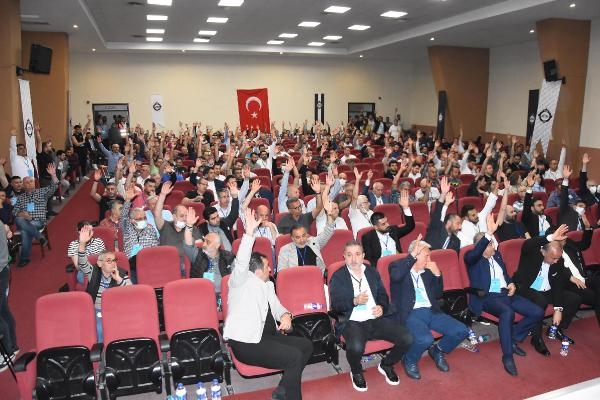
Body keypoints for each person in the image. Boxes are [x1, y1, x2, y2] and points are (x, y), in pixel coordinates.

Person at [223, 208, 312, 400]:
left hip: (268, 337)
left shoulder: (268, 284)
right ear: (256, 270)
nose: (270, 269)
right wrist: (248, 234)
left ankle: (282, 390)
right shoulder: (239, 282)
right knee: (294, 357)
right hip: (246, 342)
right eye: (267, 266)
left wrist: (285, 316)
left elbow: (278, 307)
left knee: (306, 345)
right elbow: (241, 262)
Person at [464, 216, 544, 376]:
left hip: (506, 294)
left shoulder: (497, 256)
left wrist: (511, 284)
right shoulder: (472, 259)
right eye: (490, 243)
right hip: (488, 297)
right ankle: (507, 356)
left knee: (537, 312)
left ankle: (511, 338)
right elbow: (475, 253)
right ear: (481, 246)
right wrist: (488, 233)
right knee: (508, 312)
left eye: (493, 242)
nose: (494, 245)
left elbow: (505, 276)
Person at [329, 240, 413, 392]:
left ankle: (386, 364)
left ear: (363, 256)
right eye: (349, 255)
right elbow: (336, 306)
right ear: (344, 256)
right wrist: (354, 301)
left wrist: (381, 306)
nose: (353, 259)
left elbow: (383, 295)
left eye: (357, 254)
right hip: (352, 321)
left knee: (407, 338)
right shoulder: (338, 276)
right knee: (356, 347)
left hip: (375, 318)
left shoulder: (371, 271)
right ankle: (356, 371)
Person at [389, 237, 468, 380]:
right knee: (425, 339)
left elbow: (437, 294)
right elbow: (396, 276)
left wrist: (437, 274)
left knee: (461, 330)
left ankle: (437, 350)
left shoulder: (427, 271)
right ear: (416, 254)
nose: (429, 259)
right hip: (410, 313)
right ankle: (409, 359)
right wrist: (412, 256)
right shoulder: (397, 266)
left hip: (432, 311)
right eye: (426, 255)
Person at [512, 224, 582, 352]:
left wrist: (558, 309)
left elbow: (558, 284)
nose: (556, 261)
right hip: (526, 288)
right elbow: (528, 243)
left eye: (558, 258)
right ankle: (536, 338)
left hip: (546, 289)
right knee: (541, 301)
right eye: (553, 258)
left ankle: (556, 329)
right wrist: (551, 237)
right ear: (543, 252)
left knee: (574, 299)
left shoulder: (558, 260)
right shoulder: (531, 253)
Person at [77, 225, 131, 342]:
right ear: (100, 263)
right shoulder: (93, 273)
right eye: (108, 261)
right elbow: (82, 263)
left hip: (117, 309)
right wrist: (82, 243)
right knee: (100, 328)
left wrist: (119, 279)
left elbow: (132, 293)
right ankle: (102, 350)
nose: (113, 263)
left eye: (114, 260)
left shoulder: (120, 274)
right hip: (98, 309)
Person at [277, 194, 336, 276]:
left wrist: (329, 214)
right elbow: (281, 273)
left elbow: (328, 232)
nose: (302, 240)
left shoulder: (313, 242)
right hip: (296, 279)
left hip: (315, 279)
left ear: (307, 234)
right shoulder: (285, 250)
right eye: (297, 237)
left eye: (303, 235)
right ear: (292, 238)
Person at [12, 164, 58, 267]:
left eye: (31, 181)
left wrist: (53, 175)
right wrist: (22, 214)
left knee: (25, 230)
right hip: (24, 221)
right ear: (23, 185)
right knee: (19, 219)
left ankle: (24, 258)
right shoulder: (20, 198)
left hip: (38, 221)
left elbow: (54, 187)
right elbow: (14, 211)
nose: (29, 183)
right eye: (26, 182)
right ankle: (39, 237)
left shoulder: (41, 192)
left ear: (34, 183)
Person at [361, 190, 415, 266]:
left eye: (387, 221)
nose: (387, 225)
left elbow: (410, 226)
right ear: (376, 227)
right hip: (381, 266)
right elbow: (369, 259)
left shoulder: (393, 230)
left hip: (398, 264)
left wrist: (405, 208)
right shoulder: (368, 237)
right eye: (383, 224)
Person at [120, 185, 159, 281]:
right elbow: (123, 216)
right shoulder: (127, 228)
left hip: (149, 261)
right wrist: (128, 201)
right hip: (132, 264)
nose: (143, 220)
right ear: (132, 220)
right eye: (140, 219)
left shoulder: (150, 228)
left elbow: (156, 247)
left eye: (144, 218)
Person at [424, 176, 462, 253]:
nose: (460, 227)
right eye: (458, 223)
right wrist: (443, 194)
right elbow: (438, 214)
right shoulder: (435, 229)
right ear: (448, 222)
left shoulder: (456, 241)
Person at [0, 220, 18, 372]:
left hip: (1, 271)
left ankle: (7, 351)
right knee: (4, 310)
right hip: (4, 270)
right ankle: (13, 346)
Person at [521, 172, 553, 237]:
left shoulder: (547, 217)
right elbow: (527, 205)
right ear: (532, 208)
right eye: (539, 205)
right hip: (538, 241)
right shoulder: (528, 217)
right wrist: (529, 187)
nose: (542, 207)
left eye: (542, 205)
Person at [558, 166, 588, 232]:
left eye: (584, 208)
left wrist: (587, 227)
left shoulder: (583, 219)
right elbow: (564, 197)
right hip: (567, 237)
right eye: (580, 206)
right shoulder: (566, 211)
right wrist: (565, 179)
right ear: (574, 206)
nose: (582, 209)